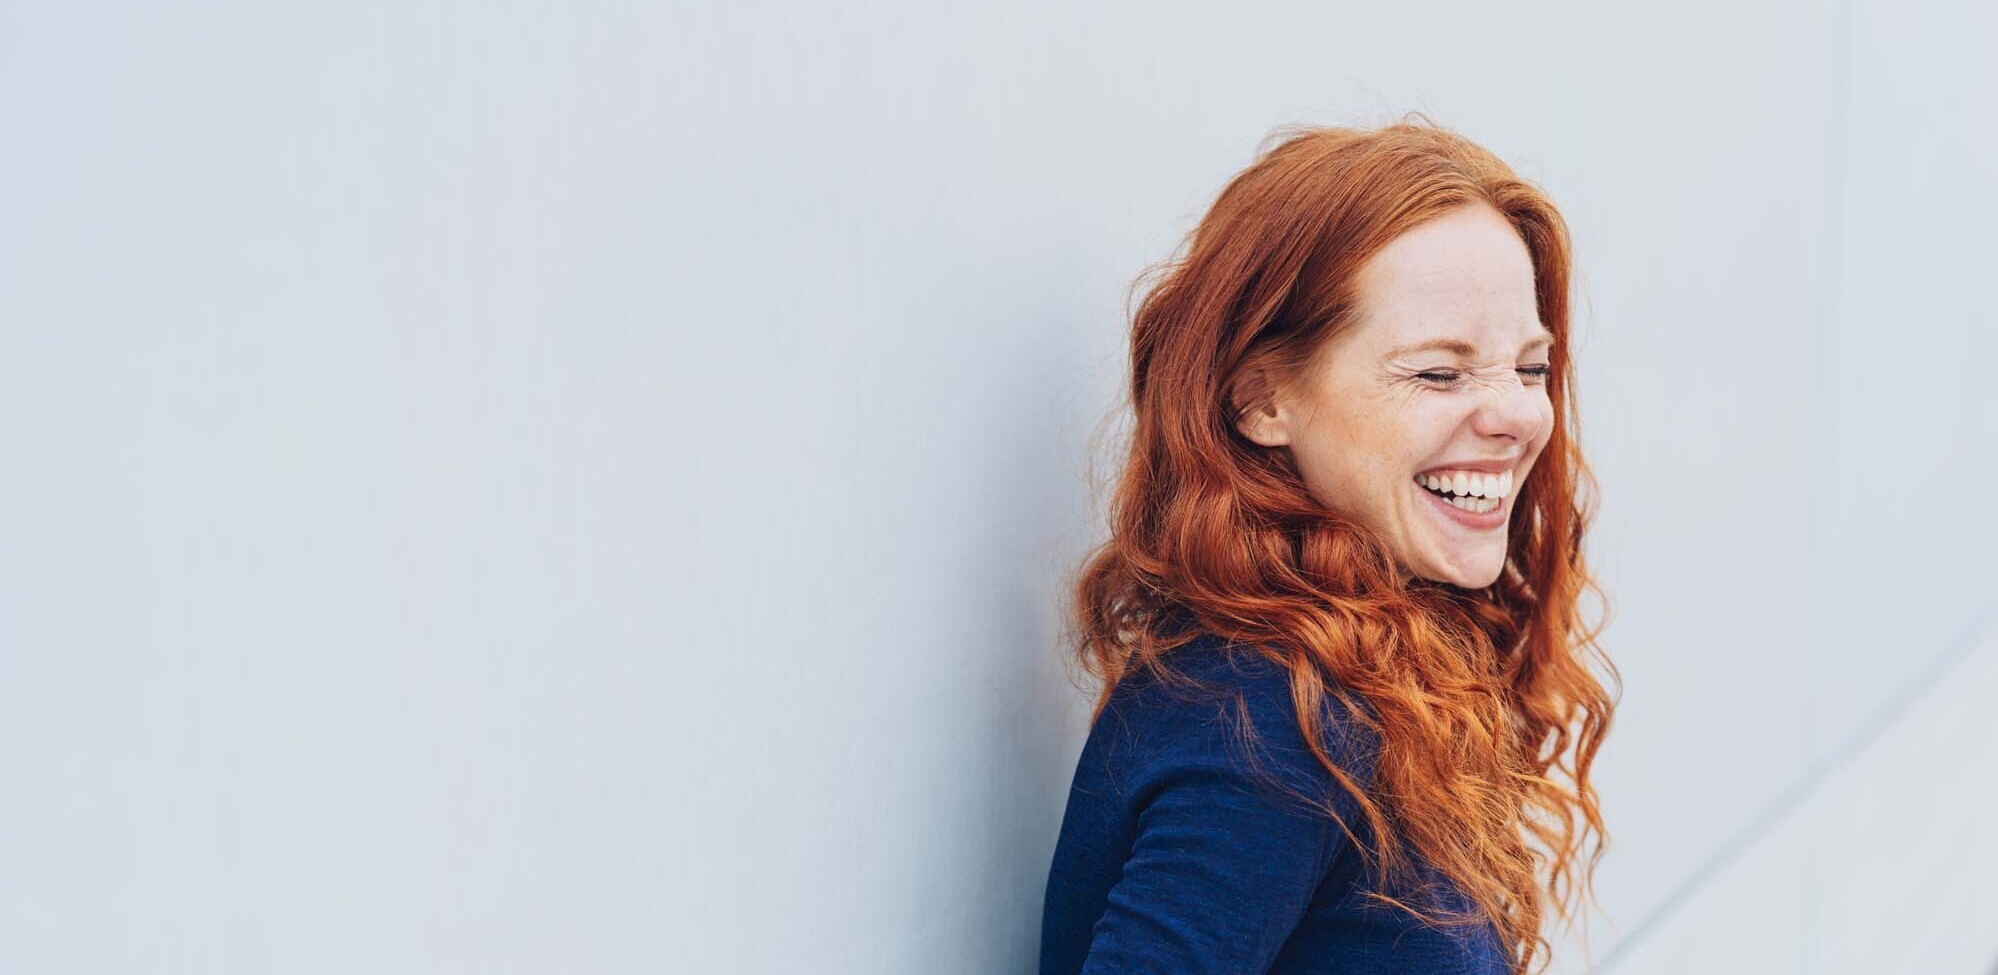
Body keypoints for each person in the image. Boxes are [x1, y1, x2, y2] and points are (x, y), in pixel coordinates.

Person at [1039, 118, 1619, 975]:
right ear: (1261, 401)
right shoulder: (1270, 719)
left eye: (1530, 368)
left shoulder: (1360, 670)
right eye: (1437, 372)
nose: (1523, 414)